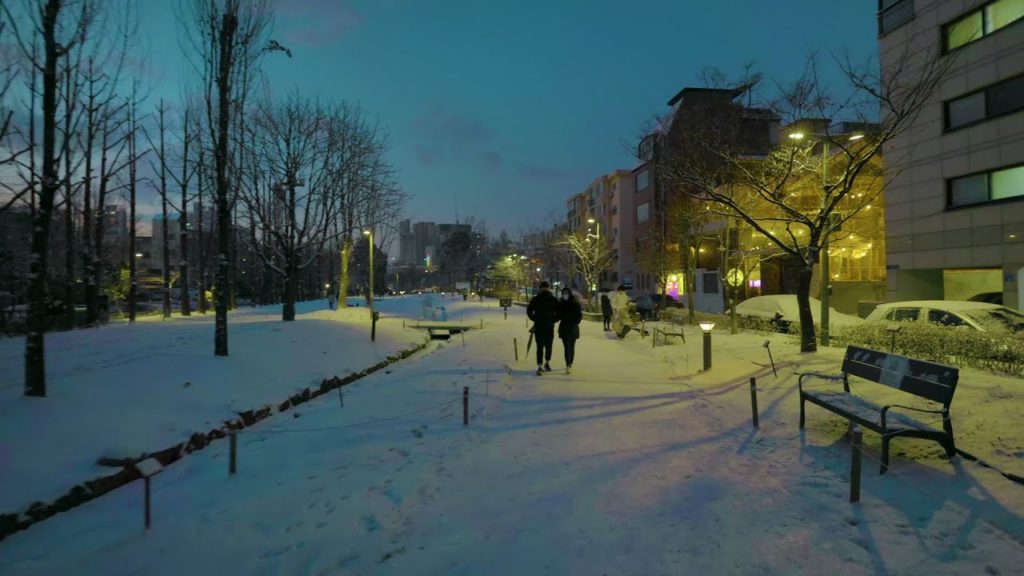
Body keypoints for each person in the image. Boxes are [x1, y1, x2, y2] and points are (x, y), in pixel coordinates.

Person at [526, 281, 559, 375]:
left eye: (545, 288)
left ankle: (542, 365)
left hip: (541, 326)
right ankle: (544, 364)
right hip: (546, 326)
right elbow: (559, 312)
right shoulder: (552, 299)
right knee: (546, 346)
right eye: (544, 288)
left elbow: (529, 311)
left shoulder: (537, 299)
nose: (544, 289)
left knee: (541, 346)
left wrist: (534, 318)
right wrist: (554, 319)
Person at [557, 287, 583, 374]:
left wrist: (575, 322)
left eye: (566, 293)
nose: (565, 295)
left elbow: (579, 315)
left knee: (571, 347)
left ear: (569, 294)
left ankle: (570, 363)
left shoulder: (575, 304)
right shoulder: (560, 304)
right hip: (564, 328)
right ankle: (568, 364)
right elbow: (558, 315)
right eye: (563, 293)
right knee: (567, 347)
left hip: (573, 328)